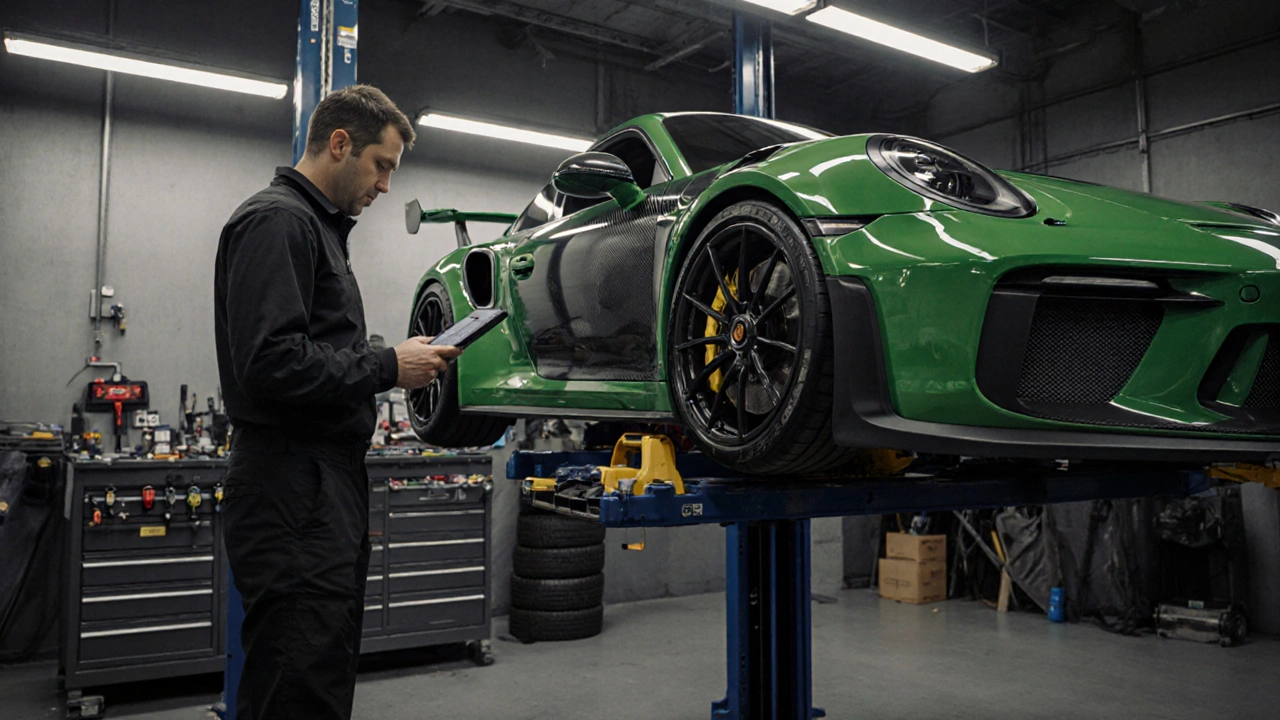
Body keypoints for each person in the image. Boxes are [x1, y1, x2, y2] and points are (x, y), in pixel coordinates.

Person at [213, 84, 459, 720]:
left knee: (316, 671)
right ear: (341, 144)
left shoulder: (317, 230)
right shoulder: (279, 221)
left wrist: (388, 359)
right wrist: (387, 365)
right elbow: (270, 362)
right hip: (292, 485)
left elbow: (310, 350)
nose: (385, 186)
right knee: (296, 684)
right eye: (381, 166)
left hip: (322, 485)